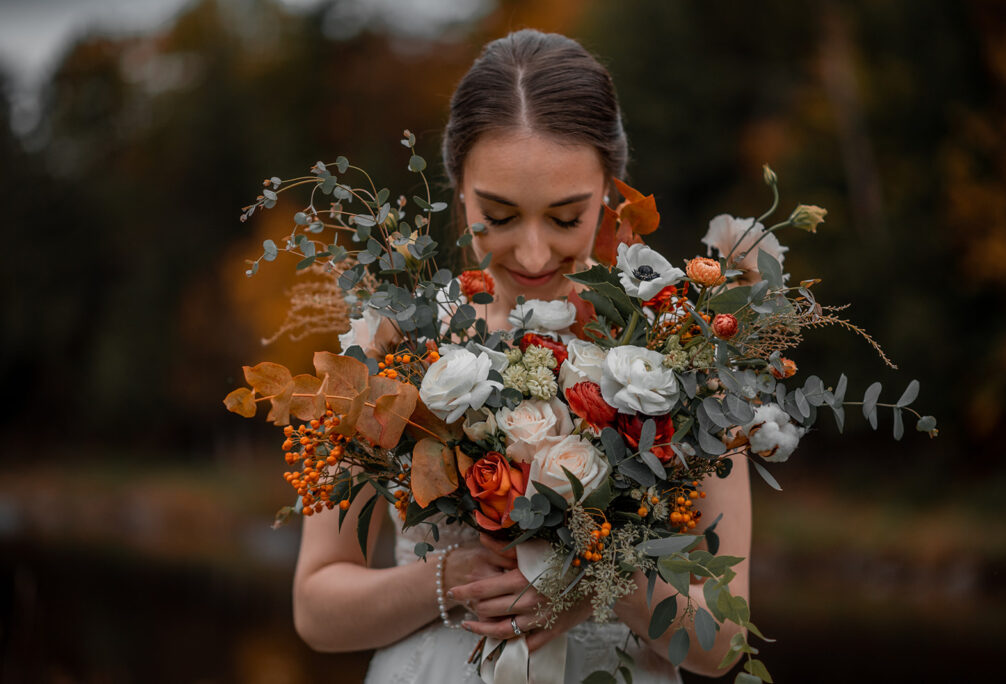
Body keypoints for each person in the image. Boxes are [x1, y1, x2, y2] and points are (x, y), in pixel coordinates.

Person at [292, 29, 751, 683]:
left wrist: (589, 579)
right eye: (499, 217)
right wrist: (446, 580)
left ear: (610, 190)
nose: (534, 255)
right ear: (457, 186)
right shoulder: (389, 346)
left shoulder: (679, 347)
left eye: (566, 218)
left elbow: (725, 638)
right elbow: (316, 609)